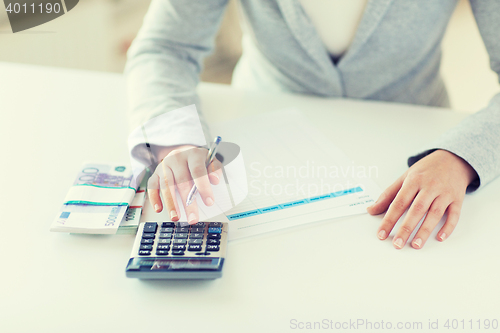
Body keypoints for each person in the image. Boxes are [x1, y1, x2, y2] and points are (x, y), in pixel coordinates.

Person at [125, 0, 500, 250]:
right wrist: (175, 141)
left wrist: (461, 157)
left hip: (415, 148)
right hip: (262, 141)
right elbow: (164, 48)